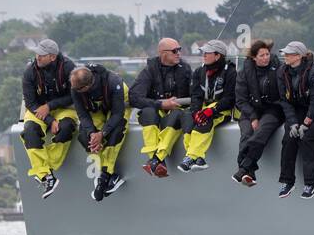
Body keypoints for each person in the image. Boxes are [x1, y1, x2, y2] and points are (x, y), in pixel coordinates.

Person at [19, 38, 78, 199]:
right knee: (30, 131)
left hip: (64, 107)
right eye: (37, 53)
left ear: (52, 57)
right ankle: (46, 176)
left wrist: (50, 107)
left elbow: (74, 96)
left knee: (66, 128)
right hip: (37, 108)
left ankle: (47, 167)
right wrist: (49, 120)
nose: (37, 57)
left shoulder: (68, 68)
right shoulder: (30, 71)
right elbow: (30, 102)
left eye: (42, 55)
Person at [129, 38, 192, 178]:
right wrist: (161, 104)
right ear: (163, 53)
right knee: (147, 113)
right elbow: (133, 97)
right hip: (156, 116)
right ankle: (158, 161)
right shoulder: (149, 71)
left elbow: (195, 94)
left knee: (176, 114)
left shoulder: (185, 69)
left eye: (179, 50)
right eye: (175, 51)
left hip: (177, 115)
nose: (179, 54)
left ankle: (155, 161)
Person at [276, 41, 314, 199]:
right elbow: (284, 100)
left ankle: (311, 183)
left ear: (299, 56)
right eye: (284, 53)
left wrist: (306, 123)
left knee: (307, 138)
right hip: (298, 108)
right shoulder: (282, 72)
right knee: (288, 138)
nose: (285, 56)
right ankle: (287, 181)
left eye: (289, 54)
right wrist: (293, 122)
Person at [70, 63, 130, 201]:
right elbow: (83, 114)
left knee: (116, 132)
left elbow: (117, 114)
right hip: (96, 106)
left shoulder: (114, 82)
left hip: (119, 104)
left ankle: (106, 174)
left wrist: (102, 133)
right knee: (85, 137)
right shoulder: (75, 88)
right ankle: (106, 173)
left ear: (85, 88)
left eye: (76, 89)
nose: (72, 91)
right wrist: (92, 134)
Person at [233, 39, 284, 186]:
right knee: (246, 135)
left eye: (267, 54)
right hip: (250, 110)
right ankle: (250, 174)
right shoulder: (244, 73)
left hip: (273, 109)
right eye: (261, 55)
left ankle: (243, 169)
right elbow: (240, 100)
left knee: (260, 134)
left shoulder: (278, 67)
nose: (266, 58)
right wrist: (253, 116)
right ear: (254, 58)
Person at [179, 40, 236, 172]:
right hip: (203, 109)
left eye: (207, 53)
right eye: (203, 52)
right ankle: (198, 158)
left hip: (222, 111)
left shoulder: (231, 72)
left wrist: (211, 111)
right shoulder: (199, 71)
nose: (203, 55)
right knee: (188, 119)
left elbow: (230, 98)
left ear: (217, 56)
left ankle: (190, 157)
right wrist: (195, 113)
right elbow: (196, 96)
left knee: (205, 120)